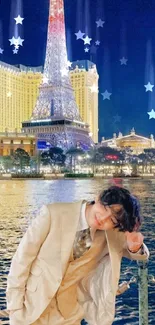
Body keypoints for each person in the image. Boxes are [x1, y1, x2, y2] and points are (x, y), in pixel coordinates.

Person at [6, 186, 149, 325]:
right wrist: (15, 306)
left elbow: (141, 254)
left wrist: (135, 247)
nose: (103, 218)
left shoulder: (111, 234)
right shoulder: (53, 213)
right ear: (98, 198)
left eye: (112, 220)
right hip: (30, 307)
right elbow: (22, 259)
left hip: (69, 313)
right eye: (105, 208)